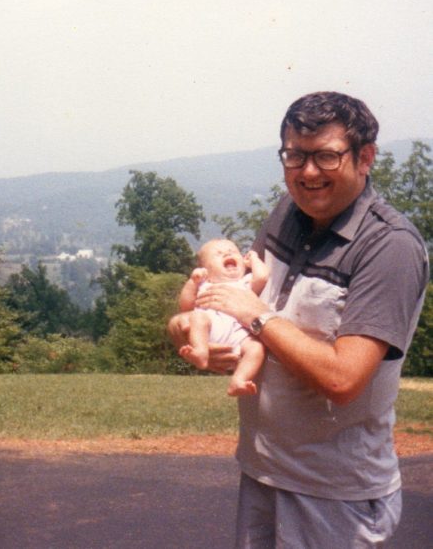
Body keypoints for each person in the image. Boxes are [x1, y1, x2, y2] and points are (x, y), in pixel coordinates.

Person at [168, 91, 429, 548]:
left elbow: (344, 379)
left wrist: (259, 318)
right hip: (264, 469)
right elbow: (237, 305)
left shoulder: (390, 247)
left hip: (334, 495)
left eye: (326, 156)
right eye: (295, 155)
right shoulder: (288, 214)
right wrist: (185, 329)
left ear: (364, 157)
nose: (308, 173)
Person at [167, 239, 269, 395]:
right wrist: (193, 282)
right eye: (219, 254)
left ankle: (239, 380)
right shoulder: (205, 285)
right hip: (211, 327)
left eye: (234, 251)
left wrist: (253, 259)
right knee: (197, 317)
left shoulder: (245, 283)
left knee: (256, 348)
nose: (228, 253)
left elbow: (262, 276)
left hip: (239, 333)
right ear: (206, 270)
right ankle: (200, 352)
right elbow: (186, 306)